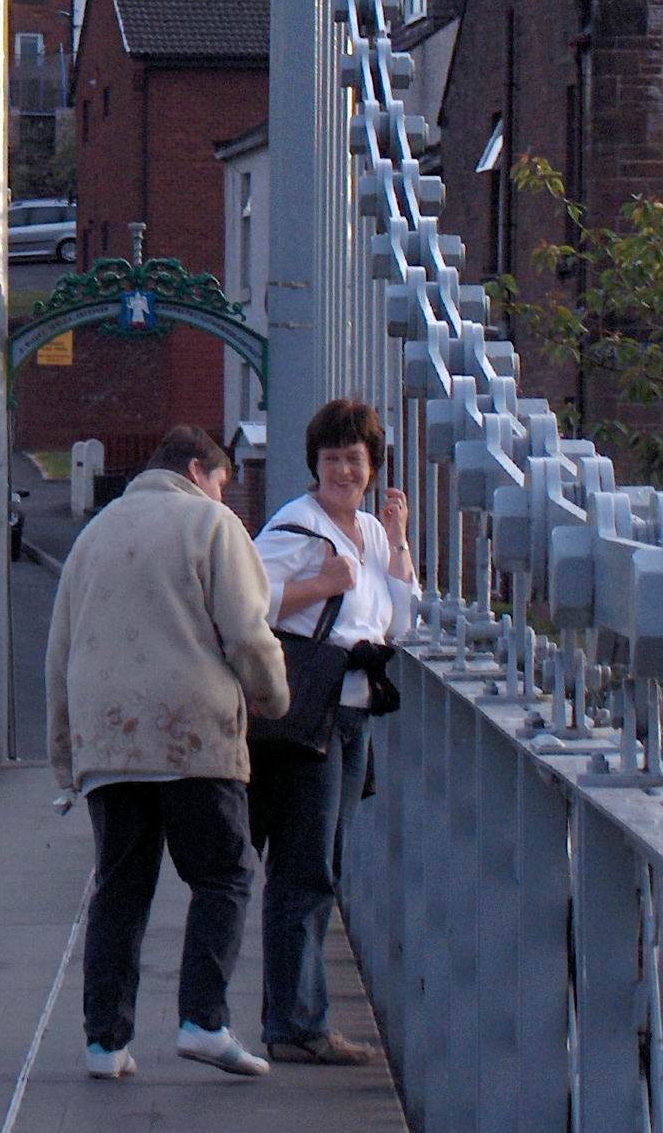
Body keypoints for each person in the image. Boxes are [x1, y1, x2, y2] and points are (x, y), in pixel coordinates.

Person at [46, 425, 291, 1081]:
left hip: (108, 742)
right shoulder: (211, 524)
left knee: (120, 886)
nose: (224, 495)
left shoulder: (93, 535)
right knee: (224, 874)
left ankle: (104, 1042)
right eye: (221, 482)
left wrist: (66, 760)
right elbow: (248, 633)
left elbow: (59, 653)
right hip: (191, 735)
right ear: (196, 471)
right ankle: (203, 1021)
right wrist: (274, 699)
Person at [250, 397, 418, 1066]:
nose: (344, 470)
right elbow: (244, 602)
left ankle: (297, 1019)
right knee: (305, 866)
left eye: (355, 458)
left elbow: (400, 623)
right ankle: (296, 1025)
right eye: (332, 459)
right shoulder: (297, 528)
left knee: (325, 864)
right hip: (308, 712)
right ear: (314, 464)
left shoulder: (371, 531)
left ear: (373, 465)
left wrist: (398, 540)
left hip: (352, 712)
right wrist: (319, 584)